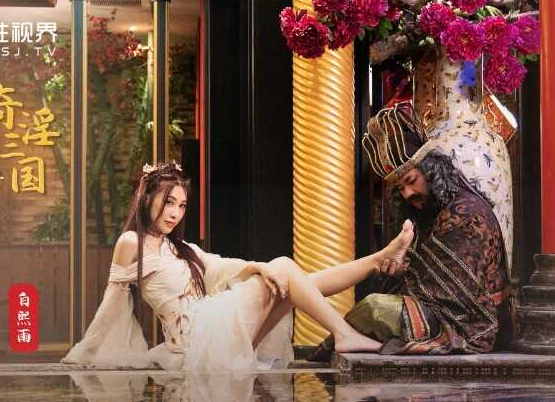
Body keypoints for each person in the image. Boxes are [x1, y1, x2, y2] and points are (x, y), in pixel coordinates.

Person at [62, 161, 415, 371]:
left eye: (182, 206)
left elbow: (220, 267)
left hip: (217, 333)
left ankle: (377, 261)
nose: (175, 213)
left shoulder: (180, 248)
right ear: (147, 198)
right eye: (169, 202)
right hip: (197, 343)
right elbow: (113, 302)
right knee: (285, 268)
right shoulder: (131, 243)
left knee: (292, 281)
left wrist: (259, 269)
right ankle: (345, 333)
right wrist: (88, 351)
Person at [309, 102, 510, 359]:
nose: (408, 194)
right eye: (400, 189)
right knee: (375, 306)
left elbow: (453, 293)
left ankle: (330, 350)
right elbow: (428, 275)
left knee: (373, 308)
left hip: (470, 323)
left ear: (433, 171)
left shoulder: (466, 213)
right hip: (441, 310)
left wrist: (407, 269)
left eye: (411, 181)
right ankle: (337, 346)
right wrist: (401, 268)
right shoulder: (432, 212)